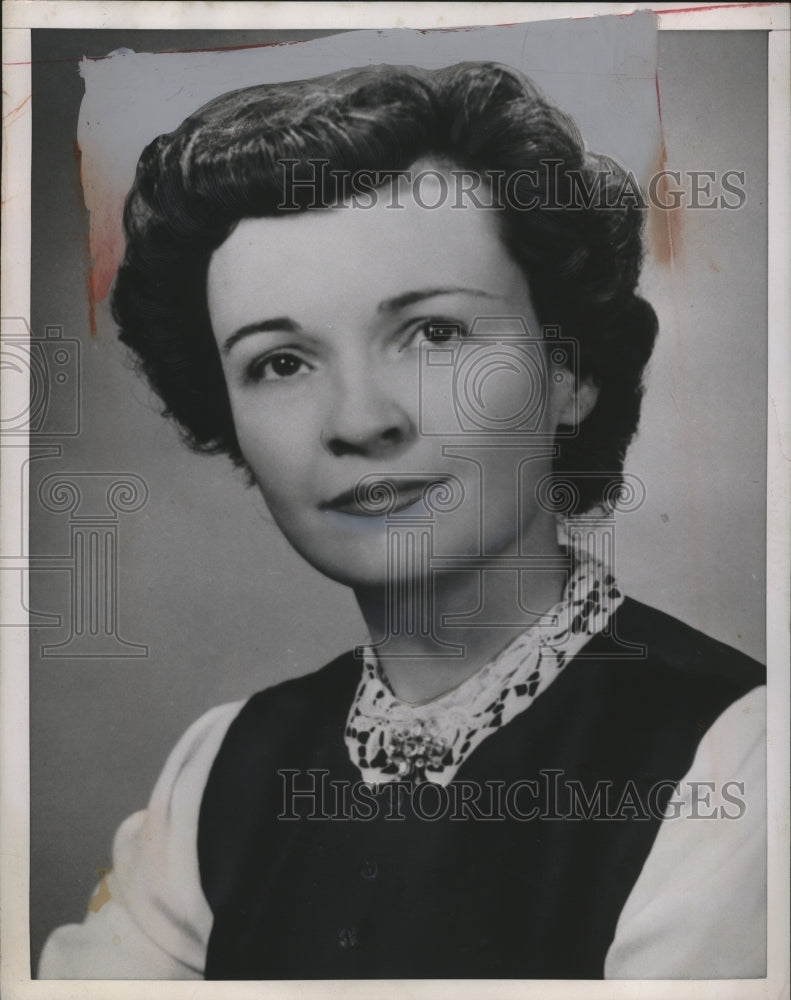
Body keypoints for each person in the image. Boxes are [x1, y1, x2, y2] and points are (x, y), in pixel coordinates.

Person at [38, 61, 765, 980]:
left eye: (434, 335)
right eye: (281, 363)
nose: (359, 420)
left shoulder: (740, 763)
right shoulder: (221, 771)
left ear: (570, 375)